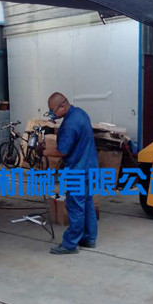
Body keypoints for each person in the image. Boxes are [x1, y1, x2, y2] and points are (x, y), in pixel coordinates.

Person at [43, 92, 99, 254]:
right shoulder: (80, 113)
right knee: (87, 204)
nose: (52, 114)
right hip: (89, 167)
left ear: (62, 106)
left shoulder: (70, 124)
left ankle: (70, 244)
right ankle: (89, 238)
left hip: (78, 171)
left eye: (53, 110)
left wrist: (44, 151)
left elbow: (62, 151)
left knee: (75, 207)